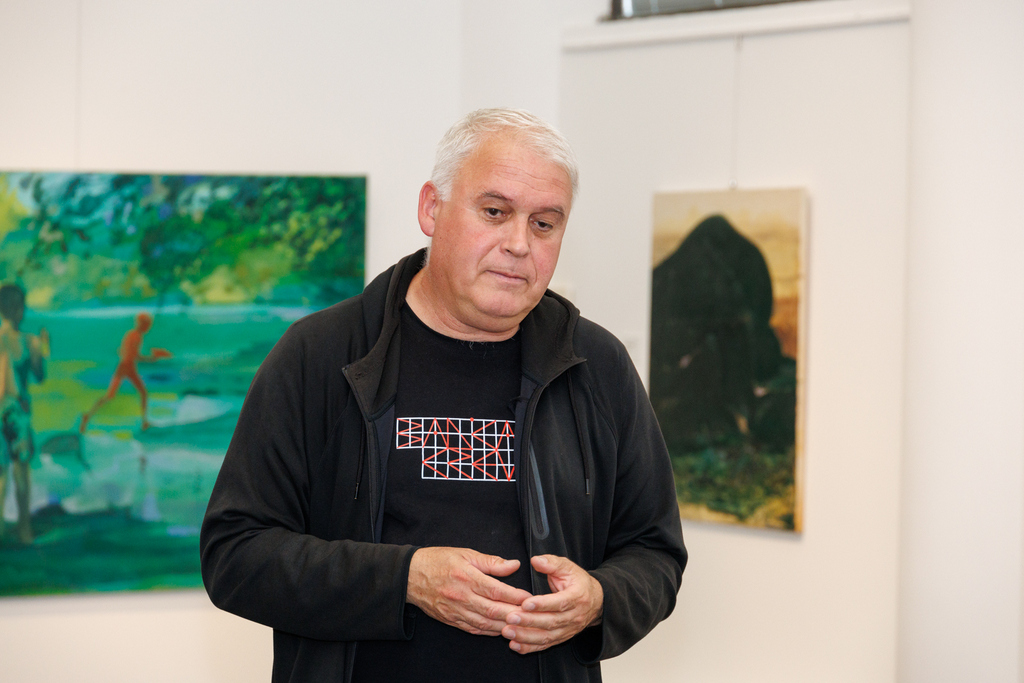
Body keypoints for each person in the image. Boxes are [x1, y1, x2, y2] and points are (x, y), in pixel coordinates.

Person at [201, 108, 687, 682]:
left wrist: (600, 599)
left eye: (544, 224)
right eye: (495, 212)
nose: (519, 244)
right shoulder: (321, 356)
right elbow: (235, 555)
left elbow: (654, 553)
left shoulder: (597, 367)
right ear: (432, 209)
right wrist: (405, 580)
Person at [0, 283, 49, 543]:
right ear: (18, 309)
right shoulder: (29, 341)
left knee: (0, 473)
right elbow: (40, 376)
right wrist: (44, 349)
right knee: (21, 472)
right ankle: (24, 530)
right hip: (18, 411)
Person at [80, 312, 171, 433]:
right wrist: (150, 359)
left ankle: (144, 422)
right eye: (147, 325)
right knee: (124, 394)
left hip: (127, 367)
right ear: (142, 324)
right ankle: (87, 416)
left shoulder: (132, 334)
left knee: (124, 394)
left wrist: (145, 358)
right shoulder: (136, 336)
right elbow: (134, 355)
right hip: (126, 367)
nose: (148, 327)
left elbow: (121, 351)